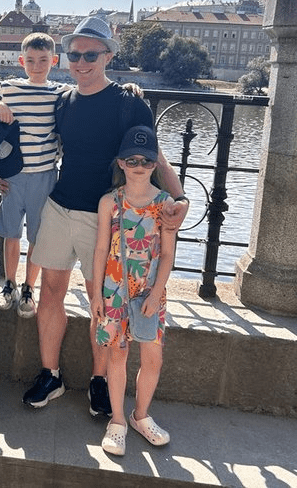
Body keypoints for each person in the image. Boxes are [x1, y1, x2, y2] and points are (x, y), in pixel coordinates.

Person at [22, 16, 189, 418]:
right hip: (61, 206)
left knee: (105, 305)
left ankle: (99, 379)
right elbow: (31, 136)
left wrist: (179, 196)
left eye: (90, 54)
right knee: (51, 295)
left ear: (108, 56)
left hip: (108, 217)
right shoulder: (63, 100)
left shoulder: (128, 102)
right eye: (75, 54)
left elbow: (153, 154)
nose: (81, 61)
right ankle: (51, 374)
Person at [90, 125, 176, 456]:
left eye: (147, 160)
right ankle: (117, 420)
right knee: (118, 354)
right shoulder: (109, 203)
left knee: (153, 356)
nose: (139, 165)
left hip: (150, 292)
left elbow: (168, 254)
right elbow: (100, 249)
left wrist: (157, 293)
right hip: (114, 289)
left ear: (155, 164)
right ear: (121, 163)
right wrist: (97, 294)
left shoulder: (165, 204)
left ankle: (141, 415)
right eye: (132, 159)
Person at [0, 32, 64, 318]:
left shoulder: (59, 93)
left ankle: (29, 288)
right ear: (21, 61)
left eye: (43, 60)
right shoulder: (9, 88)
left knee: (37, 235)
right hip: (14, 174)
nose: (37, 65)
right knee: (10, 232)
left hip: (45, 173)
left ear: (53, 61)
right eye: (30, 60)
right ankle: (9, 284)